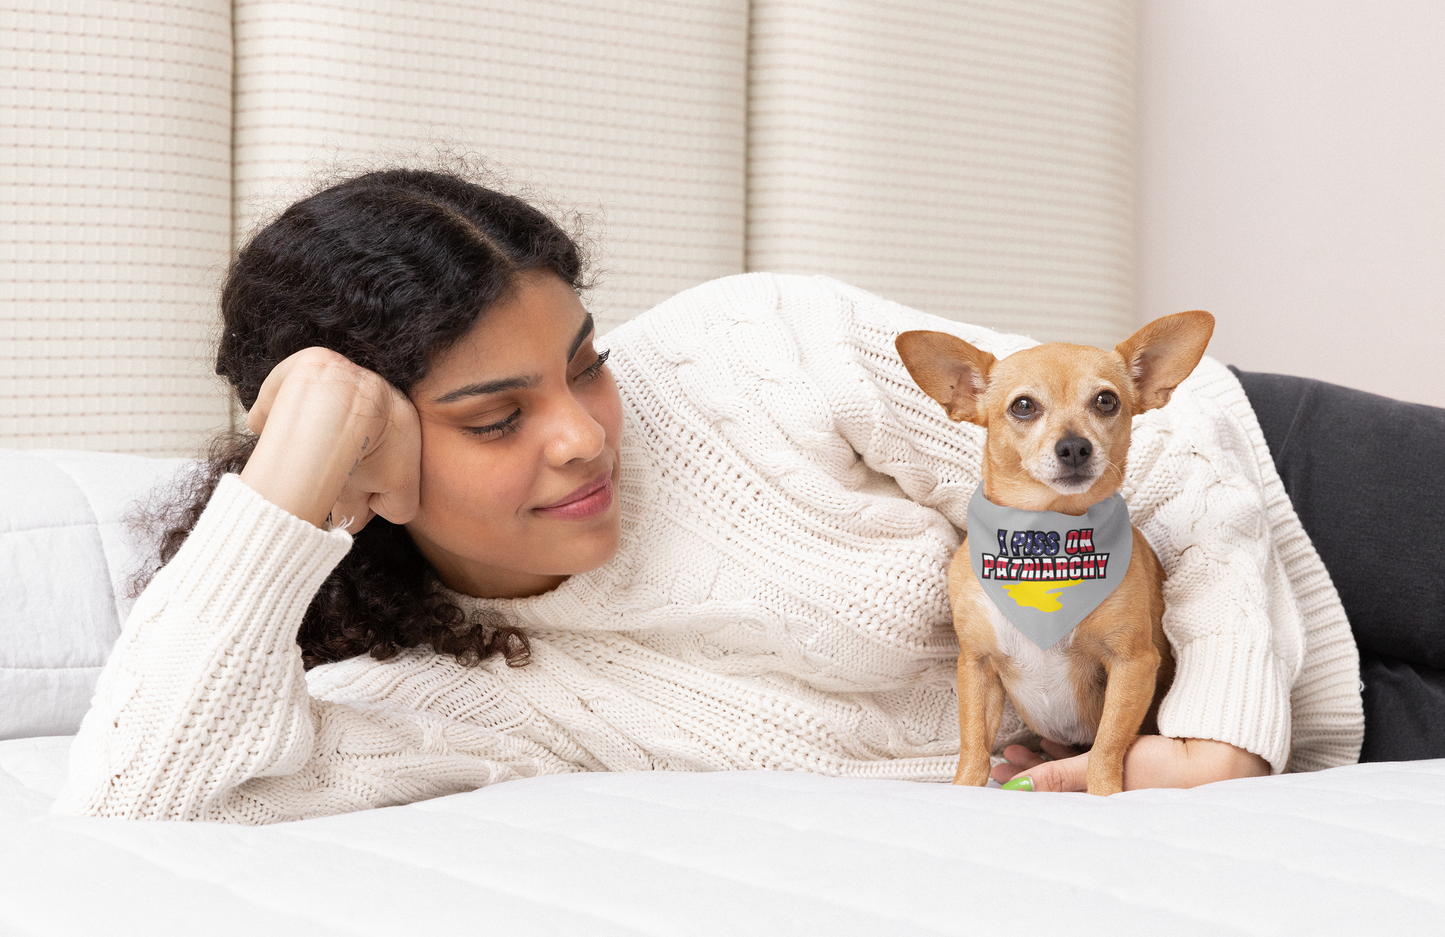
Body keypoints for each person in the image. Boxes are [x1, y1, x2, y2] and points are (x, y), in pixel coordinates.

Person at [55, 169, 1364, 823]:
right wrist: (296, 470)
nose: (578, 435)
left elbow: (1146, 449)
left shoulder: (751, 354)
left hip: (1267, 490)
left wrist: (1229, 725)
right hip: (1212, 743)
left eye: (584, 365)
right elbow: (136, 790)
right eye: (498, 416)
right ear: (368, 463)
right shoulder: (439, 685)